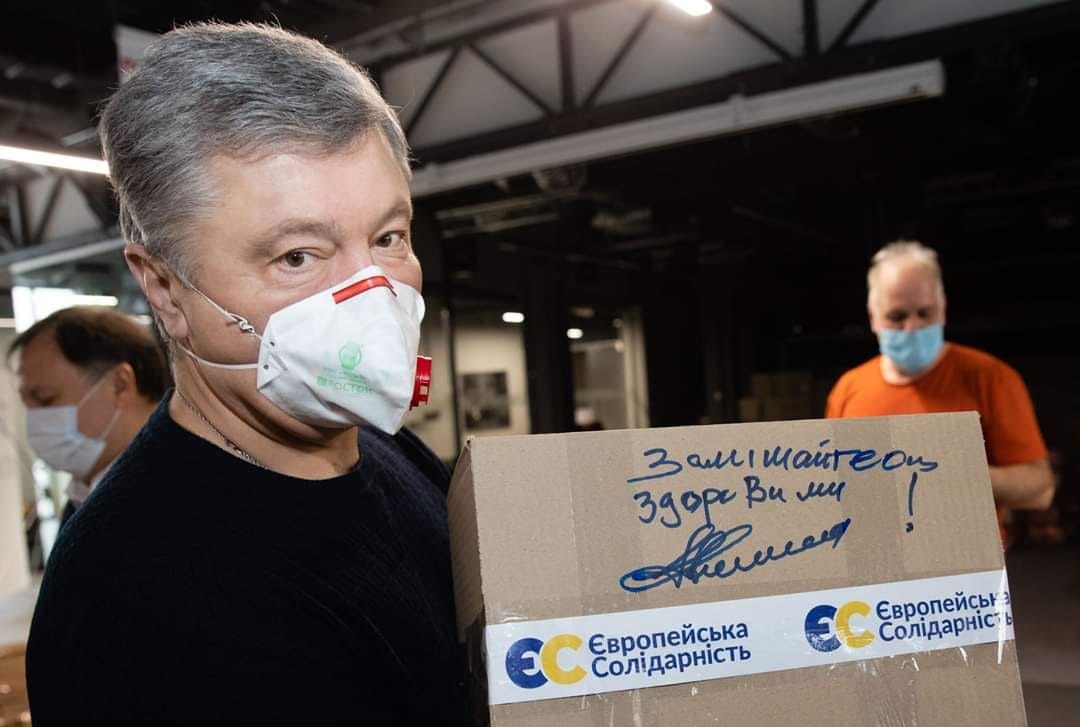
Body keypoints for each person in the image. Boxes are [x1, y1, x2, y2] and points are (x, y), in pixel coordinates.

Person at [26, 23, 463, 726]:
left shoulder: (388, 450)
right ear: (166, 290)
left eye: (388, 237)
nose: (373, 293)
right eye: (297, 257)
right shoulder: (138, 601)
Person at [826, 241, 1054, 533]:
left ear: (943, 309)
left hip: (964, 555)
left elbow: (1040, 489)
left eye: (925, 313)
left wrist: (955, 476)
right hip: (875, 554)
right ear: (873, 317)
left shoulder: (991, 378)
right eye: (897, 317)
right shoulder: (848, 389)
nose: (912, 327)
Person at [8, 306, 168, 526]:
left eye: (46, 399)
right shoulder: (83, 497)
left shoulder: (180, 492)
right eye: (28, 405)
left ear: (120, 385)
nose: (35, 421)